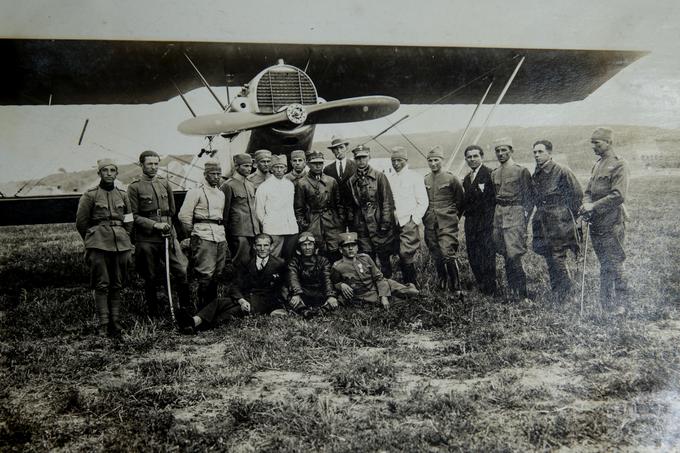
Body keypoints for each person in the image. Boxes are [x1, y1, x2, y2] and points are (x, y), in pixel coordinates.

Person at [75, 158, 134, 337]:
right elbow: (81, 222)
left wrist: (125, 236)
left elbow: (129, 219)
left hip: (121, 244)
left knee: (117, 284)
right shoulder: (89, 195)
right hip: (98, 244)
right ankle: (103, 323)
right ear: (99, 173)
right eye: (105, 170)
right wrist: (93, 239)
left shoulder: (123, 194)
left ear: (117, 173)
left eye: (112, 170)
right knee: (102, 284)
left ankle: (115, 322)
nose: (109, 173)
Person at [128, 150, 190, 316]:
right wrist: (155, 225)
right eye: (150, 164)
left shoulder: (164, 183)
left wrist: (170, 230)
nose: (154, 167)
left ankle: (185, 308)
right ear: (141, 165)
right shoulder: (134, 187)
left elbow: (172, 210)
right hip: (147, 238)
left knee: (182, 270)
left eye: (156, 163)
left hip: (169, 235)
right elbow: (133, 216)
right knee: (151, 275)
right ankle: (153, 313)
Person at [580, 127, 630, 310]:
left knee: (616, 262)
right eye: (592, 142)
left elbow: (618, 195)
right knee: (604, 263)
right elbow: (588, 191)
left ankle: (621, 305)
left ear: (608, 143)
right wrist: (586, 203)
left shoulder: (619, 165)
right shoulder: (597, 164)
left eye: (597, 143)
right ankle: (606, 304)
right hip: (597, 223)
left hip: (612, 222)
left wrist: (593, 206)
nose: (593, 146)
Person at [531, 140, 583, 303]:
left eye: (540, 152)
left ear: (549, 153)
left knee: (557, 255)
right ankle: (557, 291)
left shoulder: (561, 171)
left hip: (559, 218)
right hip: (542, 218)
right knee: (548, 254)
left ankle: (566, 294)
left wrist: (573, 218)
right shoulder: (537, 172)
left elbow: (576, 194)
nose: (537, 155)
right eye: (535, 152)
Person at [178, 159, 230, 309]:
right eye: (212, 174)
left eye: (218, 174)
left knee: (218, 273)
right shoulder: (196, 192)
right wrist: (193, 234)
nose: (216, 177)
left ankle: (212, 310)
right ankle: (202, 310)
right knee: (205, 274)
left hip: (219, 235)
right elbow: (184, 216)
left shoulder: (220, 194)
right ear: (205, 174)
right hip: (203, 235)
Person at [490, 137, 534, 302]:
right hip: (499, 215)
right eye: (498, 151)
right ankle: (512, 292)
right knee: (505, 254)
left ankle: (522, 295)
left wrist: (524, 217)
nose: (501, 153)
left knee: (514, 255)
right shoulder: (494, 173)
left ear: (511, 151)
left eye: (504, 150)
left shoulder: (520, 171)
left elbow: (530, 198)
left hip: (515, 214)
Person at [330, 232, 418, 309]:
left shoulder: (365, 258)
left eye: (353, 245)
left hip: (382, 285)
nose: (350, 248)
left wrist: (384, 296)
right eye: (346, 246)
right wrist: (341, 285)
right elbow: (334, 282)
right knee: (401, 302)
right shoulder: (337, 266)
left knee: (413, 293)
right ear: (341, 250)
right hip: (367, 295)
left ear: (357, 247)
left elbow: (379, 277)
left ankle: (410, 287)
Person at [346, 144, 397, 277]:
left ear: (369, 157)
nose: (361, 161)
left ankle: (387, 283)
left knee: (384, 256)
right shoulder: (351, 181)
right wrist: (353, 224)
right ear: (354, 160)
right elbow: (350, 205)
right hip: (361, 225)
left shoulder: (380, 176)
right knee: (367, 257)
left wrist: (385, 223)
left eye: (364, 157)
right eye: (358, 158)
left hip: (378, 222)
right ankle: (372, 286)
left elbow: (387, 201)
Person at [423, 146, 465, 296]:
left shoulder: (451, 178)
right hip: (430, 223)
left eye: (436, 160)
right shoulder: (426, 178)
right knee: (436, 253)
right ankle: (442, 280)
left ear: (442, 160)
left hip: (447, 223)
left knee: (447, 253)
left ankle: (456, 287)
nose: (433, 163)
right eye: (430, 160)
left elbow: (460, 201)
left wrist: (453, 218)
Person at [386, 146, 428, 287]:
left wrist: (414, 220)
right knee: (395, 251)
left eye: (399, 160)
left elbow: (423, 201)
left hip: (408, 221)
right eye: (393, 160)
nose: (396, 163)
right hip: (394, 222)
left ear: (406, 160)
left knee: (406, 253)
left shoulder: (415, 177)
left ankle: (411, 284)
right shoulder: (390, 179)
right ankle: (397, 284)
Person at [294, 151, 346, 263]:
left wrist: (340, 220)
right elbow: (298, 209)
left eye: (320, 163)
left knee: (335, 250)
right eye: (314, 163)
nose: (318, 166)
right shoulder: (302, 183)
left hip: (331, 221)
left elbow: (339, 204)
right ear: (308, 164)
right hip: (313, 222)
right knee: (317, 251)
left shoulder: (331, 181)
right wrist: (305, 225)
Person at [461, 145, 497, 296]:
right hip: (471, 223)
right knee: (473, 254)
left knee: (487, 255)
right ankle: (480, 284)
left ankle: (491, 288)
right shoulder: (467, 179)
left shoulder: (490, 174)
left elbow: (493, 200)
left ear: (482, 157)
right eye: (469, 157)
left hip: (486, 223)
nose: (472, 159)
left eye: (475, 156)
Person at [255, 154, 299, 260]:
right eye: (276, 167)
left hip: (291, 228)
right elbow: (259, 210)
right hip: (273, 229)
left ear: (286, 169)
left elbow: (290, 207)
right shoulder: (264, 186)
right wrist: (267, 223)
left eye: (282, 167)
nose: (279, 170)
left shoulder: (289, 185)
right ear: (271, 169)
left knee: (289, 258)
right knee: (273, 258)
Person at [221, 153, 260, 268]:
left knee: (254, 261)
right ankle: (239, 285)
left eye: (250, 166)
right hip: (238, 231)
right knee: (240, 262)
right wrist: (227, 232)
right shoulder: (228, 186)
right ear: (237, 166)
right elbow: (225, 212)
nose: (249, 169)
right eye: (245, 166)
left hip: (254, 230)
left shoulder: (250, 184)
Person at [231, 233, 287, 314]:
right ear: (254, 247)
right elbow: (236, 284)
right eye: (259, 245)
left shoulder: (279, 264)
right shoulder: (246, 262)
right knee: (220, 303)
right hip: (248, 298)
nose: (262, 248)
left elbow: (283, 286)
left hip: (267, 302)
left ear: (271, 247)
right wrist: (241, 300)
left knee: (230, 311)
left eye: (266, 245)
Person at [287, 231, 339, 316]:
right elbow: (293, 278)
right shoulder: (294, 262)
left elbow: (327, 278)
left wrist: (330, 295)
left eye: (310, 244)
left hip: (320, 292)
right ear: (299, 247)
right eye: (304, 245)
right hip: (303, 292)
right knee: (288, 296)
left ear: (314, 246)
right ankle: (303, 310)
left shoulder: (323, 261)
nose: (307, 248)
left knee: (337, 295)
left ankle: (323, 310)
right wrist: (296, 294)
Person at [323, 135, 356, 228]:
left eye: (341, 147)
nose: (339, 151)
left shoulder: (355, 166)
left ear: (346, 148)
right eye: (336, 149)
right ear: (333, 151)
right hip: (335, 212)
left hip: (354, 211)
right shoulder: (327, 169)